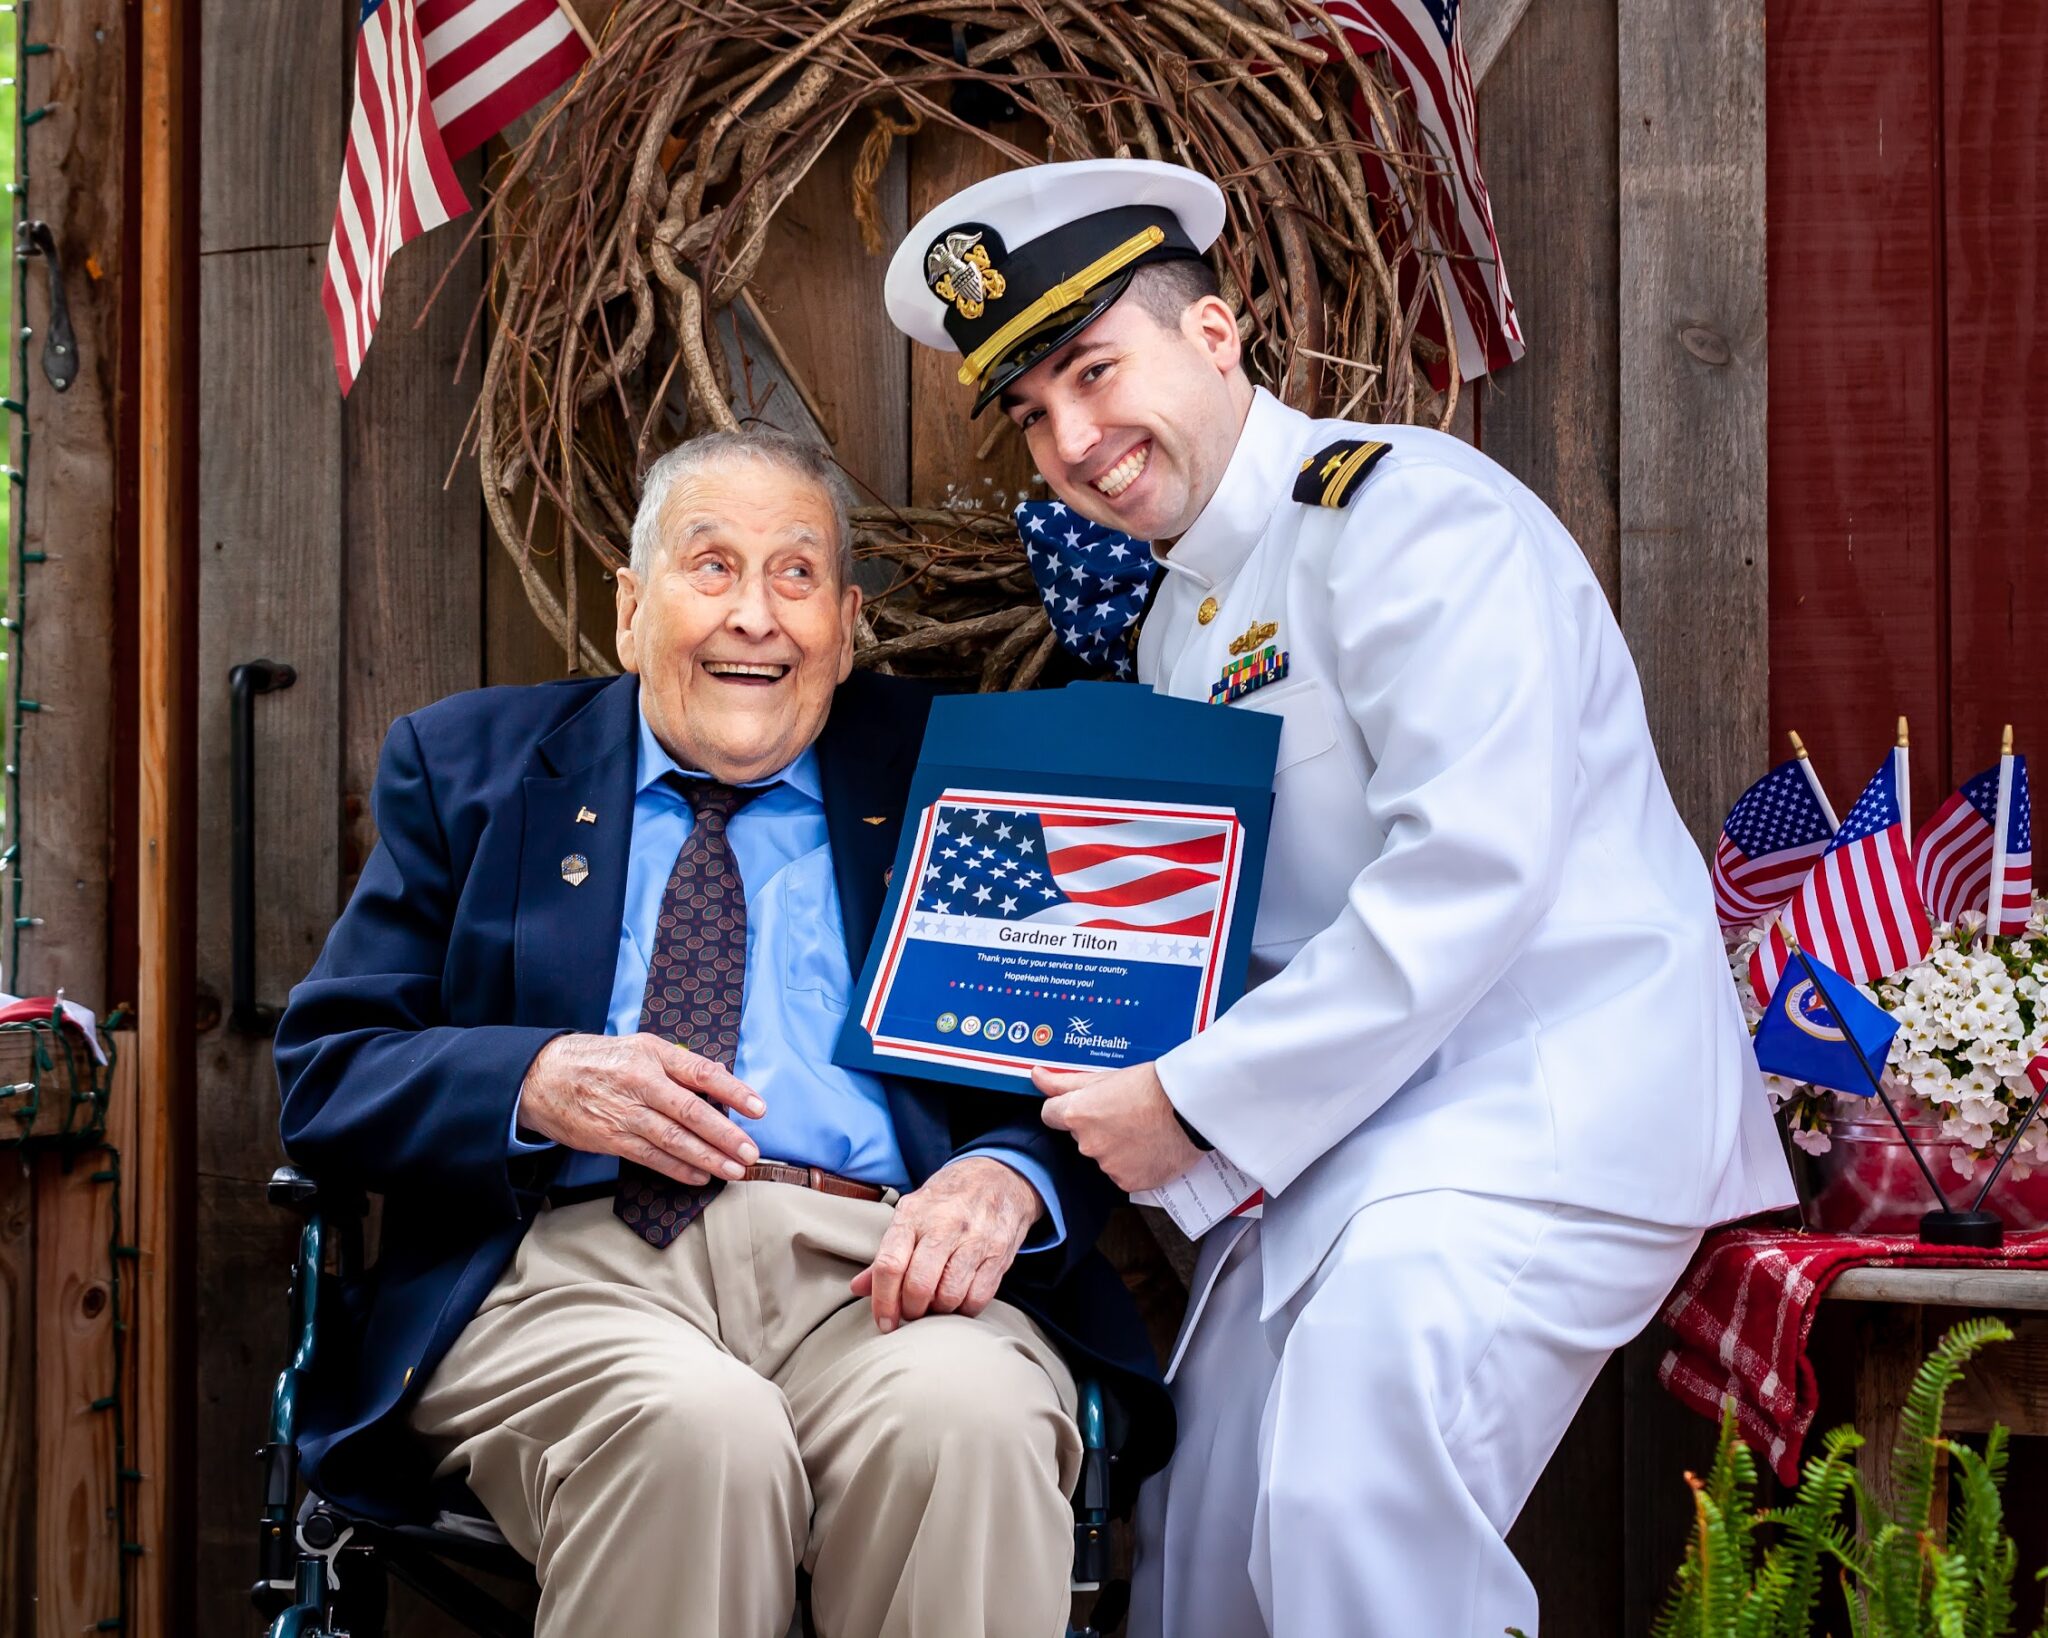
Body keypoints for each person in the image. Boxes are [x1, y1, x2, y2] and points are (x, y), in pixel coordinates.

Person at [884, 158, 1797, 1637]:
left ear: (1217, 335)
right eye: (1033, 411)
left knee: (1345, 1507)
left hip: (1541, 1109)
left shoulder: (1406, 517)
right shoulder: (1184, 618)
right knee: (1202, 1551)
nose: (1073, 438)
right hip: (1344, 1138)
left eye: (1093, 369)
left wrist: (1186, 1093)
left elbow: (1472, 870)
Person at [274, 426, 1170, 1638]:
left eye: (795, 576)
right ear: (634, 610)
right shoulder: (474, 767)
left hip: (881, 1271)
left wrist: (1008, 1175)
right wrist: (532, 1077)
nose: (756, 614)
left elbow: (1093, 1037)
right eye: (712, 568)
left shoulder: (949, 777)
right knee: (694, 1432)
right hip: (568, 1272)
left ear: (845, 625)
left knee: (972, 1421)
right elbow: (331, 1075)